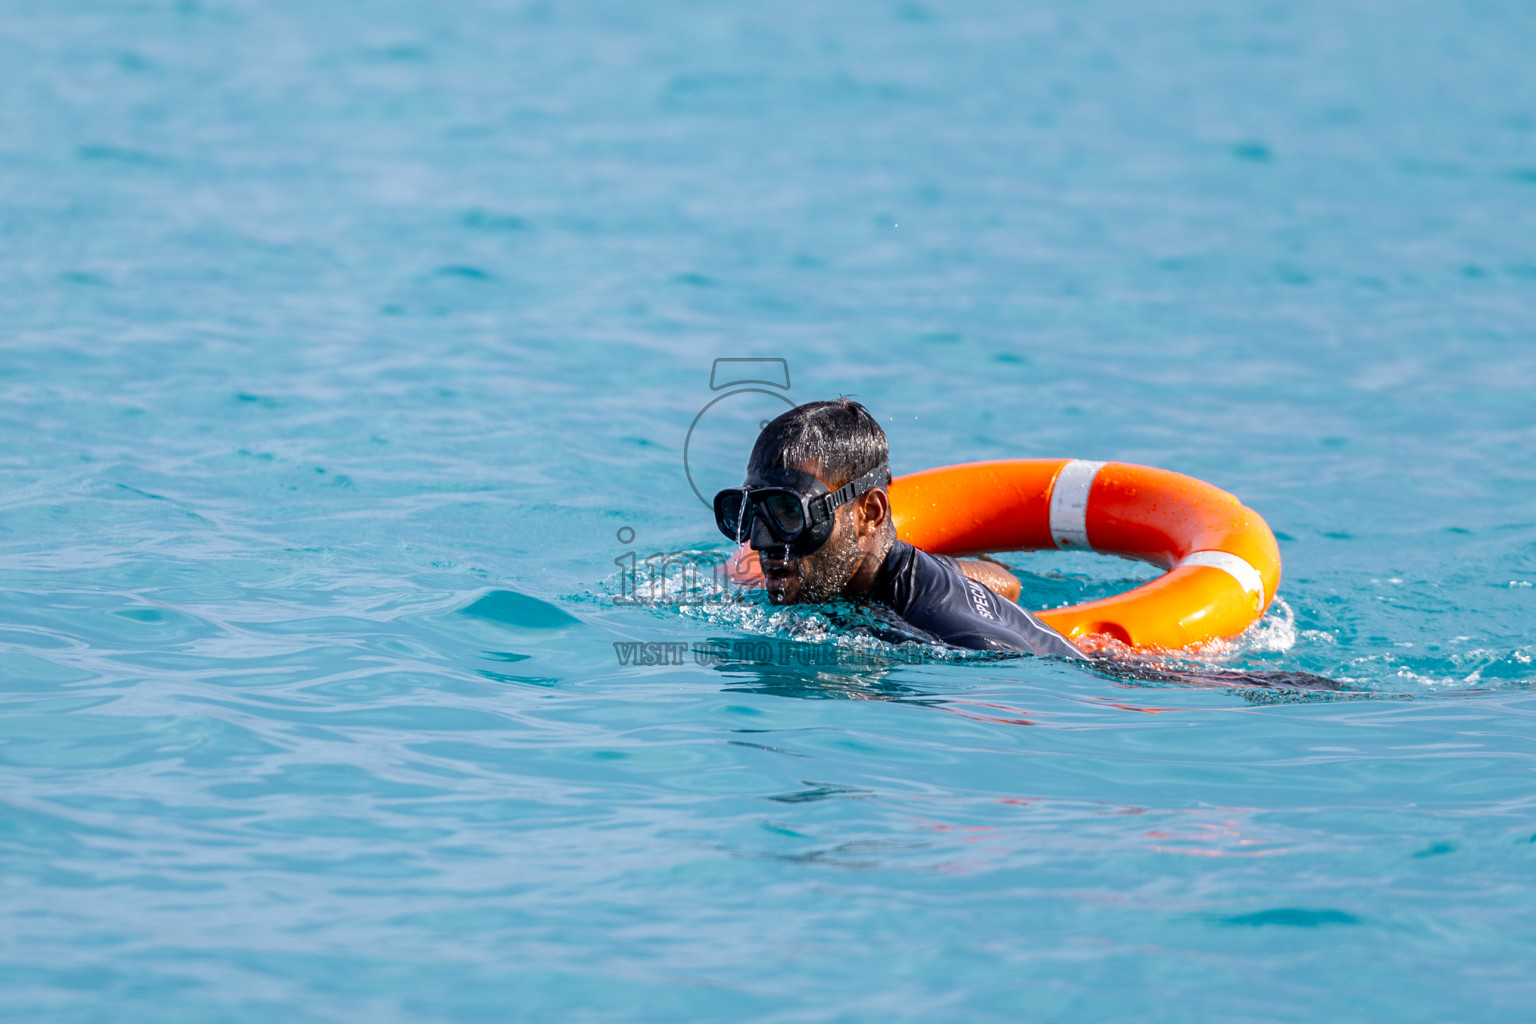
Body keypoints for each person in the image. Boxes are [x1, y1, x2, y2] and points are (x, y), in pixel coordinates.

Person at [713, 399, 1086, 660]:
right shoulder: (886, 576)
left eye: (789, 513)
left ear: (870, 513)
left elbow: (1020, 666)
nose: (761, 540)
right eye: (747, 513)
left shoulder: (955, 638)